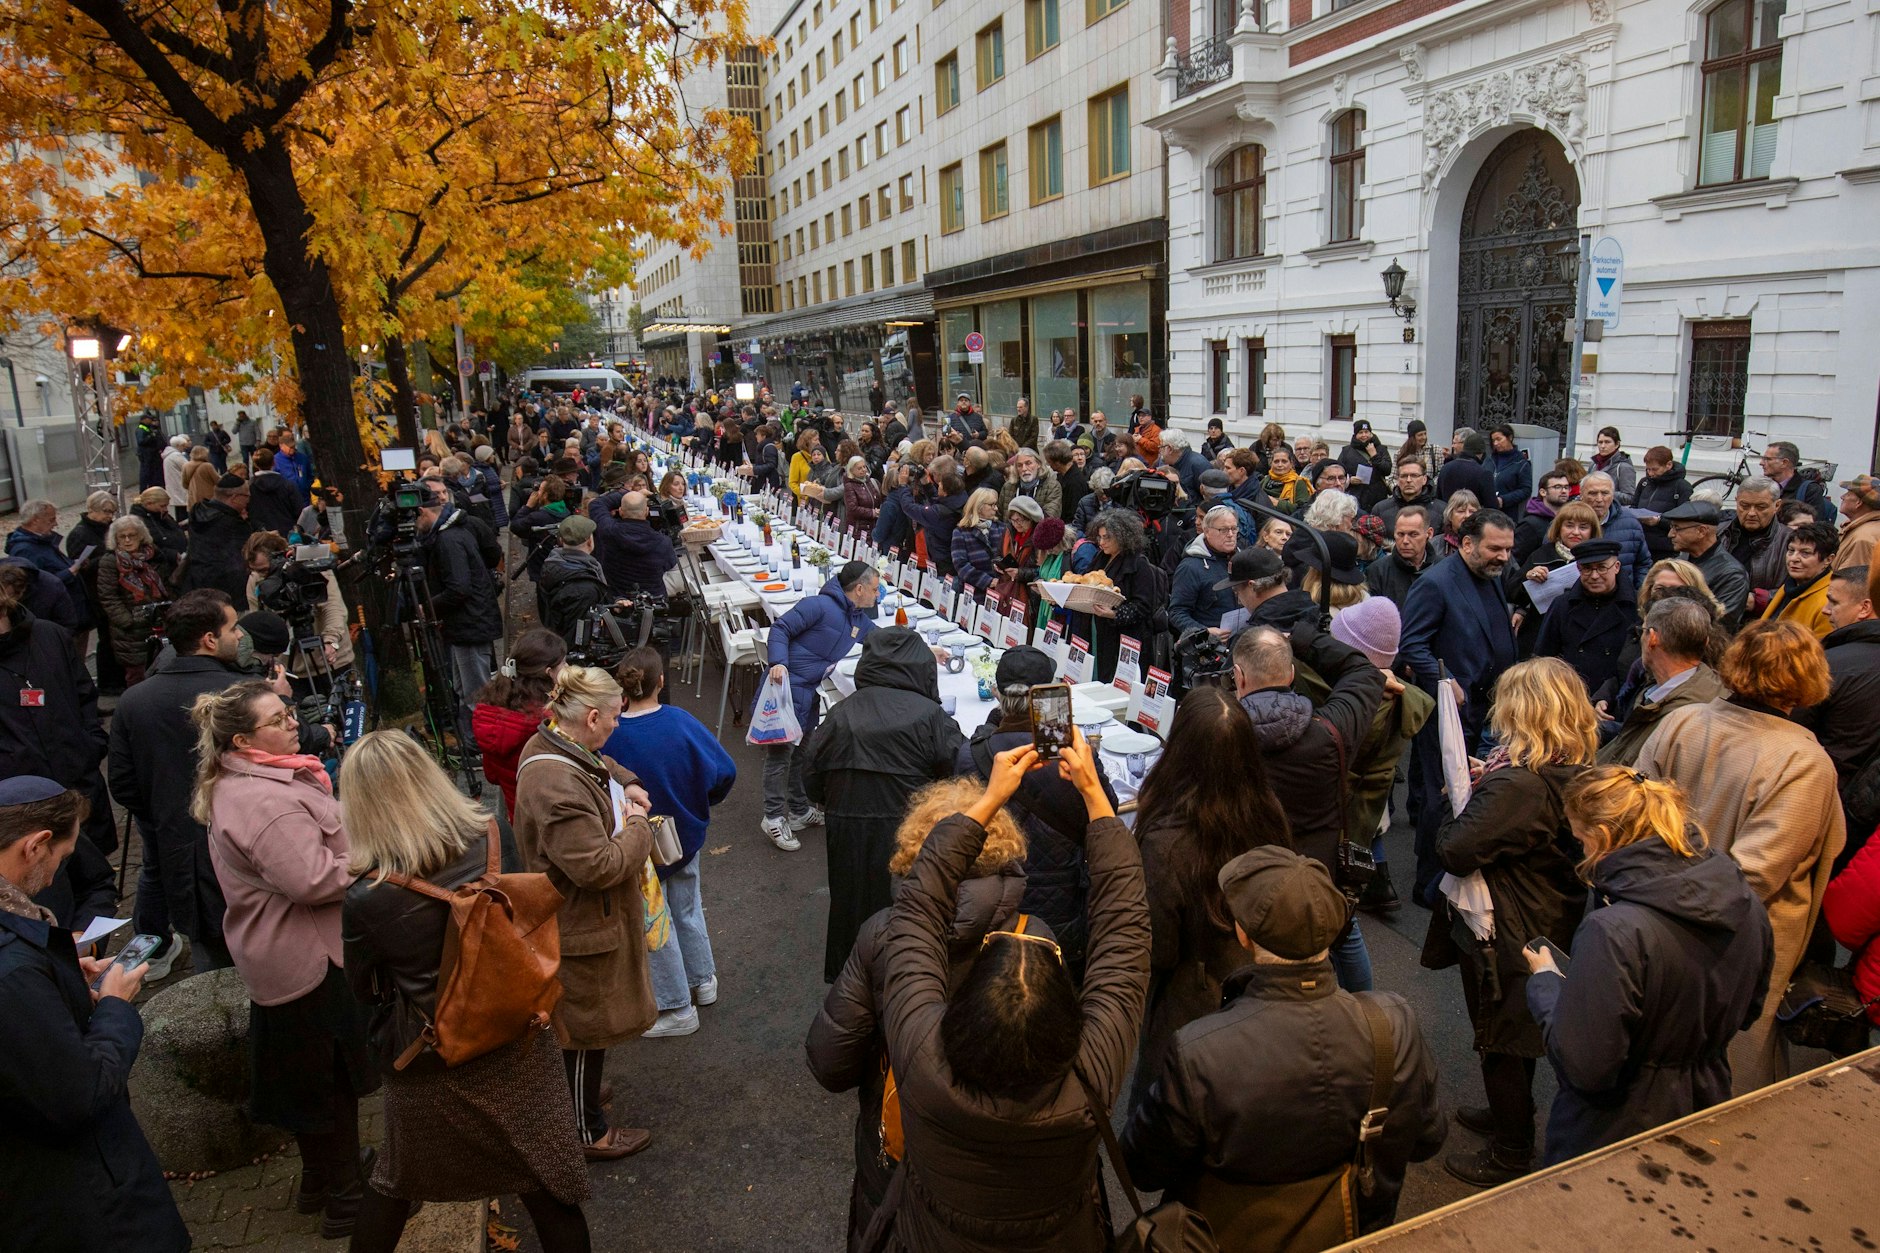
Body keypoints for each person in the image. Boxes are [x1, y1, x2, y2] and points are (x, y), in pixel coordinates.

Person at [873, 732, 1147, 1251]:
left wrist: (989, 800)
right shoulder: (1089, 1082)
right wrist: (1095, 799)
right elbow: (1124, 936)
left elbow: (917, 909)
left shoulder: (923, 1063)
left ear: (957, 1016)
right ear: (1069, 1027)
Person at [339, 731, 592, 1250]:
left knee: (395, 1181)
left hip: (436, 1057)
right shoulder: (491, 834)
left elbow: (363, 990)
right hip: (519, 1032)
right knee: (548, 1186)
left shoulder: (367, 898)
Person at [1121, 845, 1446, 1239]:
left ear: (1243, 934)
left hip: (1231, 1240)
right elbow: (1427, 1139)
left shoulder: (1200, 1053)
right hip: (1358, 1231)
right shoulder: (1394, 1024)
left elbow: (1142, 1167)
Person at [806, 775, 1036, 1249]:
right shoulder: (1036, 938)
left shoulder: (884, 935)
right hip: (1001, 1159)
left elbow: (830, 1059)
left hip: (900, 1148)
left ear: (917, 850)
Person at [190, 681, 373, 1236]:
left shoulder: (248, 780)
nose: (293, 721)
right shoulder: (265, 801)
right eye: (278, 717)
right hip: (307, 959)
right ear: (245, 740)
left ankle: (322, 1178)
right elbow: (311, 878)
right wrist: (374, 861)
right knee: (329, 1083)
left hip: (285, 957)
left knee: (309, 1079)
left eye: (289, 711)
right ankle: (349, 1201)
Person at [1636, 621, 1843, 1094]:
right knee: (1727, 1082)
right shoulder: (1802, 761)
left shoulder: (1681, 723)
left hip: (1655, 923)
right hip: (1739, 948)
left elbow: (1631, 819)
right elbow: (1756, 875)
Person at [1527, 767, 1772, 1165]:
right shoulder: (1747, 904)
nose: (1581, 852)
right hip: (1707, 1097)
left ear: (1603, 839)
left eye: (1580, 840)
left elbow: (1586, 1067)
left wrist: (1546, 984)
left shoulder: (1613, 931)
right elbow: (1749, 1010)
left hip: (1615, 1124)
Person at [0, 778, 189, 1253]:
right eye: (61, 859)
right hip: (81, 1204)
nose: (53, 878)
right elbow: (77, 1096)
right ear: (36, 845)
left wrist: (60, 980)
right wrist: (113, 1006)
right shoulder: (12, 971)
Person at [1428, 657, 1597, 1186]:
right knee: (1519, 1030)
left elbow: (1455, 848)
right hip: (1549, 911)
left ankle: (1510, 1151)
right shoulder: (1570, 770)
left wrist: (1468, 800)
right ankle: (1511, 1116)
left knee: (1499, 1036)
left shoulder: (1518, 786)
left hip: (1508, 924)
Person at [512, 665, 658, 1160]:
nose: (619, 724)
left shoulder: (551, 742)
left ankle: (581, 1099)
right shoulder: (557, 787)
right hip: (580, 926)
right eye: (615, 717)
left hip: (581, 921)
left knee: (585, 1026)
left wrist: (628, 780)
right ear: (592, 716)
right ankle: (585, 1131)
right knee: (581, 1031)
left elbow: (595, 763)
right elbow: (600, 865)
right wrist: (639, 826)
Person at [1131, 686, 1294, 1109]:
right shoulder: (1269, 809)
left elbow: (1160, 949)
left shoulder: (1166, 840)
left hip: (1193, 1002)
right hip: (1263, 985)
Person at [803, 627, 966, 982]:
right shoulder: (930, 716)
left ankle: (852, 984)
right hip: (910, 833)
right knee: (909, 912)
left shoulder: (841, 713)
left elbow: (811, 778)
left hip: (848, 829)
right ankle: (909, 986)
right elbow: (960, 772)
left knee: (851, 906)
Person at [1232, 621, 1385, 986]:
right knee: (1343, 935)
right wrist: (1303, 638)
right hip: (1322, 871)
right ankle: (1361, 1011)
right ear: (1292, 674)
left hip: (1252, 877)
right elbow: (1364, 670)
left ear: (1237, 677)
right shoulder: (1333, 730)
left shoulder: (1221, 737)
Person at [109, 590, 251, 979]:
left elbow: (123, 785)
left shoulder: (134, 701)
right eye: (233, 628)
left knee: (212, 967)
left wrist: (165, 815)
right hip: (248, 848)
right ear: (209, 639)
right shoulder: (243, 695)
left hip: (178, 851)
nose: (240, 636)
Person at [953, 647, 1115, 983]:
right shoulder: (1072, 754)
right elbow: (1106, 817)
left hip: (992, 903)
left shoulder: (973, 754)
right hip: (1061, 904)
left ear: (998, 694)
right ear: (1049, 698)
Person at [603, 647, 735, 1035]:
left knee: (654, 920)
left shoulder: (612, 738)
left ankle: (676, 1007)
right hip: (685, 836)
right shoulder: (681, 721)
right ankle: (702, 980)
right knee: (688, 909)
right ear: (661, 681)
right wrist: (702, 801)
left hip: (640, 844)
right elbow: (725, 769)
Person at [1399, 509, 1518, 905]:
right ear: (1467, 544)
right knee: (1444, 793)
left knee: (1471, 792)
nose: (1503, 557)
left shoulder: (1490, 576)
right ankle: (1430, 884)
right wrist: (1444, 680)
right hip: (1450, 712)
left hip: (1489, 707)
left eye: (1508, 549)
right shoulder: (1436, 583)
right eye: (1495, 548)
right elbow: (1411, 643)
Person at [760, 560, 880, 850]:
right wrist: (778, 663)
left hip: (808, 692)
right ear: (860, 589)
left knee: (801, 752)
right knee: (780, 756)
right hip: (785, 689)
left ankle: (799, 809)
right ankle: (773, 817)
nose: (878, 595)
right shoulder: (818, 606)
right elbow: (780, 629)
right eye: (875, 590)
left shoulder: (856, 619)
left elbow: (883, 639)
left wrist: (924, 649)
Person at [416, 480, 501, 766]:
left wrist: (426, 606)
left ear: (423, 513)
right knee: (468, 689)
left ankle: (480, 747)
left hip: (469, 626)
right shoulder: (453, 533)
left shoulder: (448, 540)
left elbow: (459, 588)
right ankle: (473, 743)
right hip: (466, 624)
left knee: (476, 691)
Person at [1796, 566, 1880, 841]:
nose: (1824, 610)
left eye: (1833, 601)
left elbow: (1793, 732)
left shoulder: (1828, 665)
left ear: (1864, 607)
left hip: (1818, 800)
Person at [1598, 597, 1727, 767]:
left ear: (1652, 638)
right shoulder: (1670, 690)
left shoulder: (1683, 714)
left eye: (1642, 630)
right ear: (1706, 641)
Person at [471, 628, 567, 820]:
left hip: (519, 817)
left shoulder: (493, 709)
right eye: (564, 663)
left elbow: (491, 775)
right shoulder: (547, 724)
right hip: (551, 819)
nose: (568, 667)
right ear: (549, 673)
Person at [1534, 538, 1637, 698]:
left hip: (1614, 700)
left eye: (1602, 568)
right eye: (1587, 569)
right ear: (1578, 569)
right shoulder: (1562, 605)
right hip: (1570, 696)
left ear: (1616, 567)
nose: (1594, 576)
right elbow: (1544, 657)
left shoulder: (1635, 607)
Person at [1084, 508, 1167, 683]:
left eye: (1107, 537)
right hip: (1102, 634)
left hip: (1128, 640)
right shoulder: (1101, 558)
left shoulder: (1139, 563)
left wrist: (1114, 614)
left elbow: (1144, 606)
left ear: (1122, 536)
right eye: (1099, 537)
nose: (1101, 542)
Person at [94, 514, 178, 687]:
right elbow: (108, 596)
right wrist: (127, 621)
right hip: (131, 631)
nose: (127, 540)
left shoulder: (153, 555)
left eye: (131, 535)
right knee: (137, 676)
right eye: (121, 537)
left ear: (141, 536)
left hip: (160, 621)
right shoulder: (110, 561)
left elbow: (167, 584)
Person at [1660, 499, 1751, 623]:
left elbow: (1721, 624)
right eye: (1671, 527)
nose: (1671, 534)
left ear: (1702, 531)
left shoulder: (1732, 574)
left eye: (1677, 528)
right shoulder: (1681, 560)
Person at [538, 516, 621, 643]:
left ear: (561, 540)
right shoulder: (585, 589)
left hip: (554, 635)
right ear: (589, 541)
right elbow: (576, 634)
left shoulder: (551, 565)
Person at [588, 488, 678, 601]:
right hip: (654, 603)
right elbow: (668, 566)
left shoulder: (608, 531)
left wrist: (628, 494)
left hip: (617, 602)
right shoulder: (663, 542)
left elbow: (596, 504)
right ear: (646, 511)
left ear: (621, 511)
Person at [180, 473, 258, 602]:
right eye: (247, 496)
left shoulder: (198, 512)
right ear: (234, 498)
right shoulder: (231, 523)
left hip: (199, 582)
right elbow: (245, 554)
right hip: (230, 589)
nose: (248, 500)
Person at [1168, 505, 1241, 641]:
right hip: (1207, 649)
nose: (1231, 535)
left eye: (1234, 528)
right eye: (1223, 530)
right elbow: (1176, 612)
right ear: (1207, 532)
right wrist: (1203, 632)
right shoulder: (1190, 567)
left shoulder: (1243, 557)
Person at [1760, 520, 1838, 637]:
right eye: (1791, 551)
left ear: (1828, 559)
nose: (1793, 558)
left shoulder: (1827, 604)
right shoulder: (1790, 586)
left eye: (1805, 553)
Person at [1629, 445, 1692, 561]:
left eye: (1655, 469)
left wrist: (1659, 521)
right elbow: (1634, 506)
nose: (1650, 473)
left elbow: (1685, 520)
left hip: (1666, 549)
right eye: (1648, 469)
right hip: (1640, 544)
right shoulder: (1644, 483)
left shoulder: (1682, 487)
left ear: (1668, 465)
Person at [1762, 440, 1836, 523]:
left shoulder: (1809, 490)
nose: (1761, 463)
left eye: (1767, 459)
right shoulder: (1763, 487)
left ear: (1784, 463)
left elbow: (1813, 528)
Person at [1375, 457, 1442, 535]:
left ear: (1424, 479)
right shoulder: (1380, 509)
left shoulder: (1441, 511)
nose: (1408, 480)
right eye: (1404, 476)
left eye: (1414, 475)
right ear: (1397, 480)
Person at [1436, 430, 1497, 509]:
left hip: (1448, 517)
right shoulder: (1483, 474)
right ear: (1481, 453)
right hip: (1473, 518)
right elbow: (1491, 507)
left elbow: (1439, 499)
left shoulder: (1445, 468)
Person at [1835, 472, 1880, 572]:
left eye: (1848, 494)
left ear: (1858, 503)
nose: (1842, 497)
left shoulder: (1863, 539)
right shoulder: (1862, 529)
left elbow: (1850, 583)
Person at [1485, 425, 1532, 515]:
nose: (1495, 443)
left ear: (1510, 437)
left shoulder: (1521, 463)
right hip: (1487, 510)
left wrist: (1504, 500)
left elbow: (1525, 489)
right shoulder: (1489, 460)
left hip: (1509, 513)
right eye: (1493, 440)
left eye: (1499, 439)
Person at [1260, 445, 1314, 516]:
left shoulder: (1298, 482)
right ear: (1271, 464)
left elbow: (1303, 510)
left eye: (1284, 461)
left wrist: (1278, 503)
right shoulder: (1265, 480)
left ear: (1291, 464)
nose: (1280, 465)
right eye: (1276, 461)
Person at [1588, 426, 1637, 503]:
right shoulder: (1594, 464)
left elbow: (1630, 497)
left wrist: (1604, 493)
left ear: (1617, 444)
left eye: (1607, 442)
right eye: (1600, 442)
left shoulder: (1623, 467)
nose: (1603, 446)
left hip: (1614, 512)